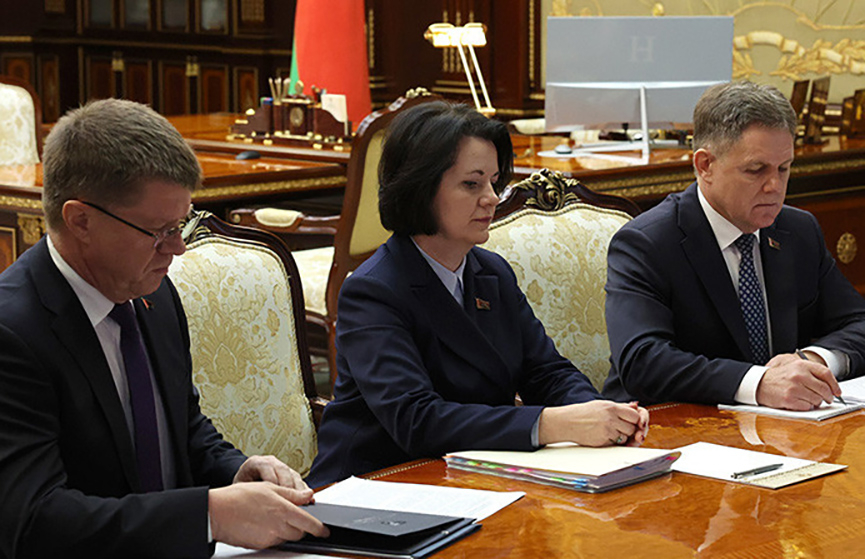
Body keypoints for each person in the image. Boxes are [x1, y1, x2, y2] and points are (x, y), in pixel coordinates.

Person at [0, 99, 327, 558]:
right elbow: (34, 522)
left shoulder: (152, 293)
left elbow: (182, 426)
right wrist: (209, 515)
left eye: (181, 225)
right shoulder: (13, 333)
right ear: (81, 221)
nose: (177, 249)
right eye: (158, 231)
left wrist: (237, 470)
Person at [306, 101, 649, 487]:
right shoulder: (373, 290)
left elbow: (547, 372)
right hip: (376, 484)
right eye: (472, 184)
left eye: (494, 182)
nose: (492, 198)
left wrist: (600, 414)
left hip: (473, 476)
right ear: (420, 188)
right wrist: (552, 424)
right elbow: (417, 421)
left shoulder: (492, 272)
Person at [603, 81, 865, 410]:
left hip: (782, 427)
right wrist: (759, 383)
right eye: (756, 170)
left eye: (784, 168)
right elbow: (642, 361)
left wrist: (812, 360)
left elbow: (859, 323)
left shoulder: (798, 231)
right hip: (669, 426)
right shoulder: (647, 243)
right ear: (705, 166)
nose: (774, 186)